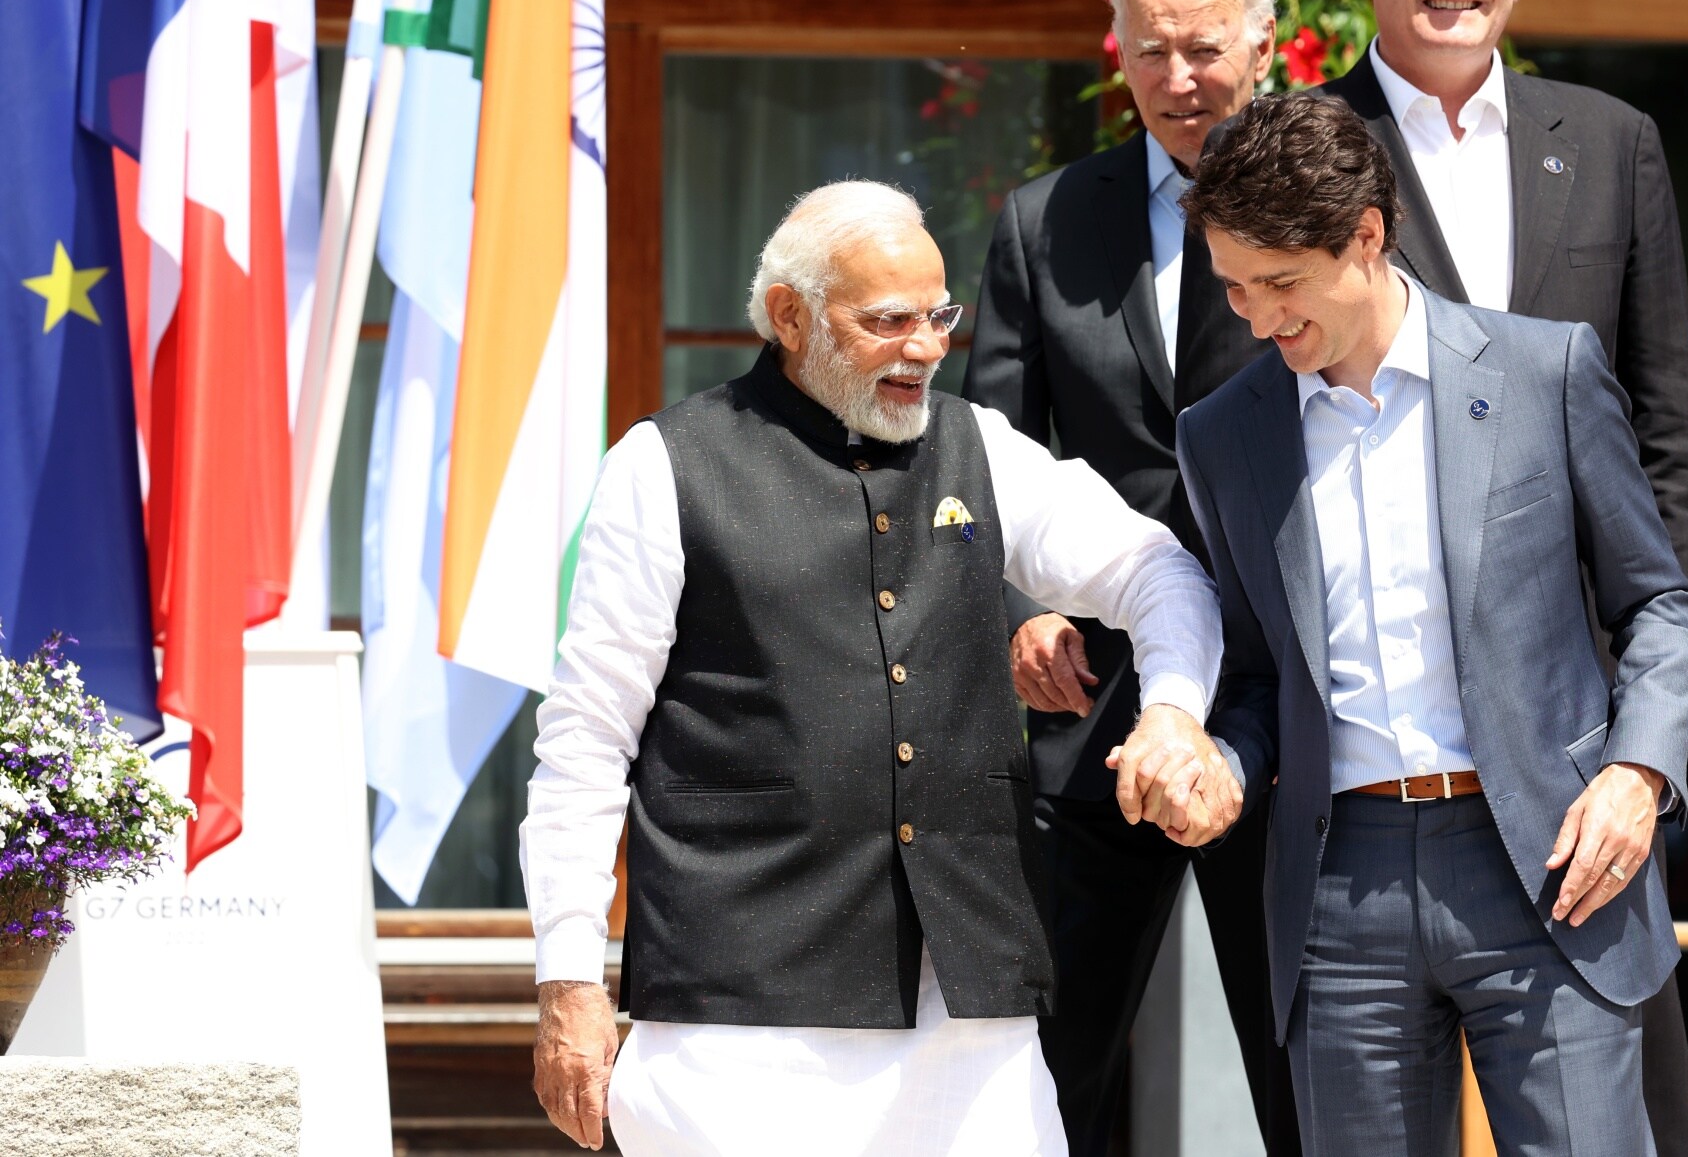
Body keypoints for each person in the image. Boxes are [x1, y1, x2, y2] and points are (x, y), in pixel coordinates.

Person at [1187, 0, 1688, 1149]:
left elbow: (1662, 553)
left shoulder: (1557, 330)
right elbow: (1254, 667)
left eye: (1279, 288)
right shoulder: (1233, 408)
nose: (1255, 318)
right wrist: (1208, 751)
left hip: (1549, 832)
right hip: (1342, 881)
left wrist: (1641, 758)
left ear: (1364, 240)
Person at [522, 180, 1238, 1156]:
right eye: (888, 320)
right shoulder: (661, 466)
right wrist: (567, 978)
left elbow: (1160, 572)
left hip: (971, 1018)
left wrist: (1174, 710)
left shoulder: (980, 447)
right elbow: (585, 741)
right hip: (737, 1020)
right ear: (790, 316)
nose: (927, 346)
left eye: (939, 316)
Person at [963, 0, 1293, 1157]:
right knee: (1049, 1079)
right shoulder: (1044, 220)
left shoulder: (1329, 202)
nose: (1178, 77)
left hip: (1277, 698)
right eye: (1150, 50)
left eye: (1203, 47)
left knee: (1306, 1075)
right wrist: (1020, 611)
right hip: (1088, 707)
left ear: (1261, 43)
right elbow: (988, 452)